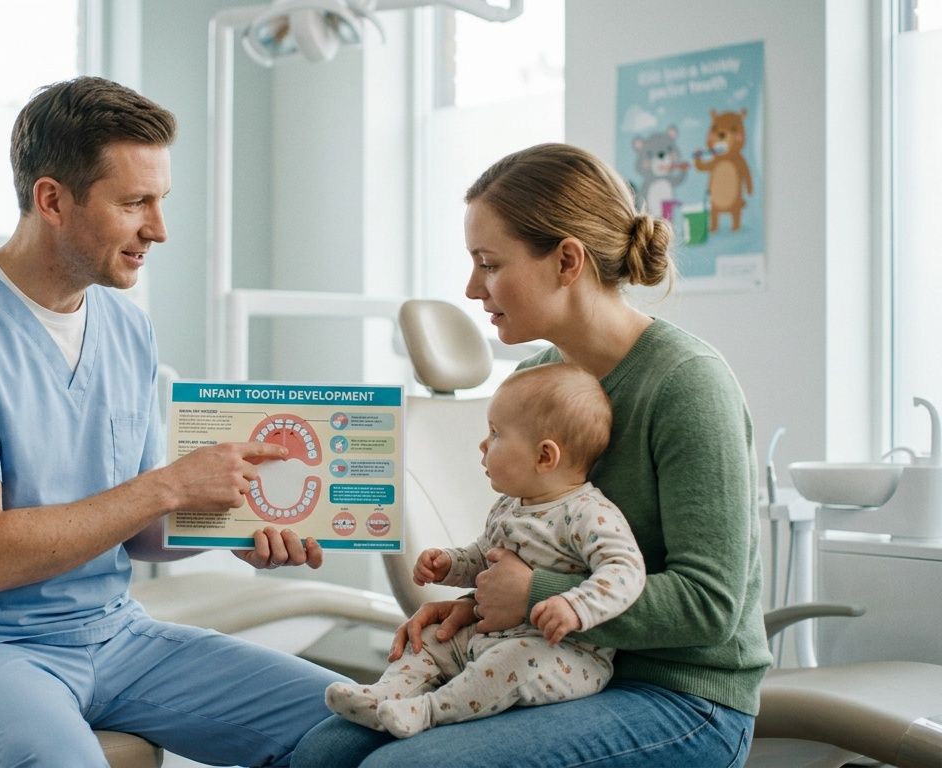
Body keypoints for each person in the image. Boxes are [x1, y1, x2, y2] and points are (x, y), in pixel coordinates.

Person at [0, 76, 347, 768]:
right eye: (134, 203)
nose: (158, 228)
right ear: (52, 200)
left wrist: (233, 525)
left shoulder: (127, 328)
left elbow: (142, 534)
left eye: (160, 201)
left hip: (114, 635)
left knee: (357, 722)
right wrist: (171, 487)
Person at [292, 142, 770, 767]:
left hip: (684, 699)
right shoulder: (539, 378)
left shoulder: (687, 385)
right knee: (325, 752)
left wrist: (532, 595)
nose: (471, 287)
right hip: (555, 664)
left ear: (567, 260)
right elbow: (536, 543)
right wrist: (472, 607)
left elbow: (710, 605)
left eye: (489, 264)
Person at [325, 362, 645, 738]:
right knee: (430, 641)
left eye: (495, 434)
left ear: (545, 457)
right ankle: (384, 695)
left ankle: (428, 710)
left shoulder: (589, 514)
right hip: (487, 635)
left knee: (512, 662)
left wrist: (575, 605)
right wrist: (451, 563)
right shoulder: (511, 505)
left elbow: (626, 570)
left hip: (562, 654)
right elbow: (484, 557)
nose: (482, 444)